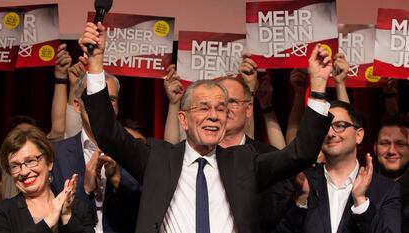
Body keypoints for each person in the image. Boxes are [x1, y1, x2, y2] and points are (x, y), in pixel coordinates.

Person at [79, 21, 333, 233]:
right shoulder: (157, 158)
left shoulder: (245, 163)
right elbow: (107, 134)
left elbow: (301, 153)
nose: (214, 116)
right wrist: (96, 63)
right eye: (203, 108)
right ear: (183, 119)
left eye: (221, 109)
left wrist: (319, 86)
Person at [291, 100, 401, 233]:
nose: (331, 134)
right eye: (325, 127)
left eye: (340, 126)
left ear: (358, 135)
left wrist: (361, 202)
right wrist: (301, 199)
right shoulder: (303, 181)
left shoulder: (386, 189)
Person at [52, 75, 141, 233]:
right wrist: (84, 189)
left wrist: (119, 181)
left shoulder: (136, 149)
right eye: (94, 97)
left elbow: (148, 207)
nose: (103, 105)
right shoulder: (56, 154)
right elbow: (52, 213)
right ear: (78, 105)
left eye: (111, 99)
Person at [0, 127, 95, 233]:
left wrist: (66, 216)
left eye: (31, 161)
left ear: (49, 162)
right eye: (15, 166)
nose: (24, 172)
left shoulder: (78, 208)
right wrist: (49, 220)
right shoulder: (2, 213)